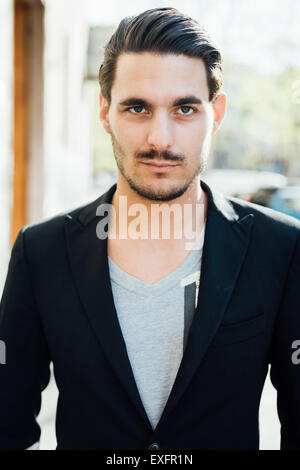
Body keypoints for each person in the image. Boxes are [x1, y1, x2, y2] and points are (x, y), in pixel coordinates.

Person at [0, 7, 300, 451]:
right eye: (137, 107)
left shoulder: (279, 248)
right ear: (105, 112)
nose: (161, 139)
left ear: (215, 113)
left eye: (184, 108)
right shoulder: (41, 252)